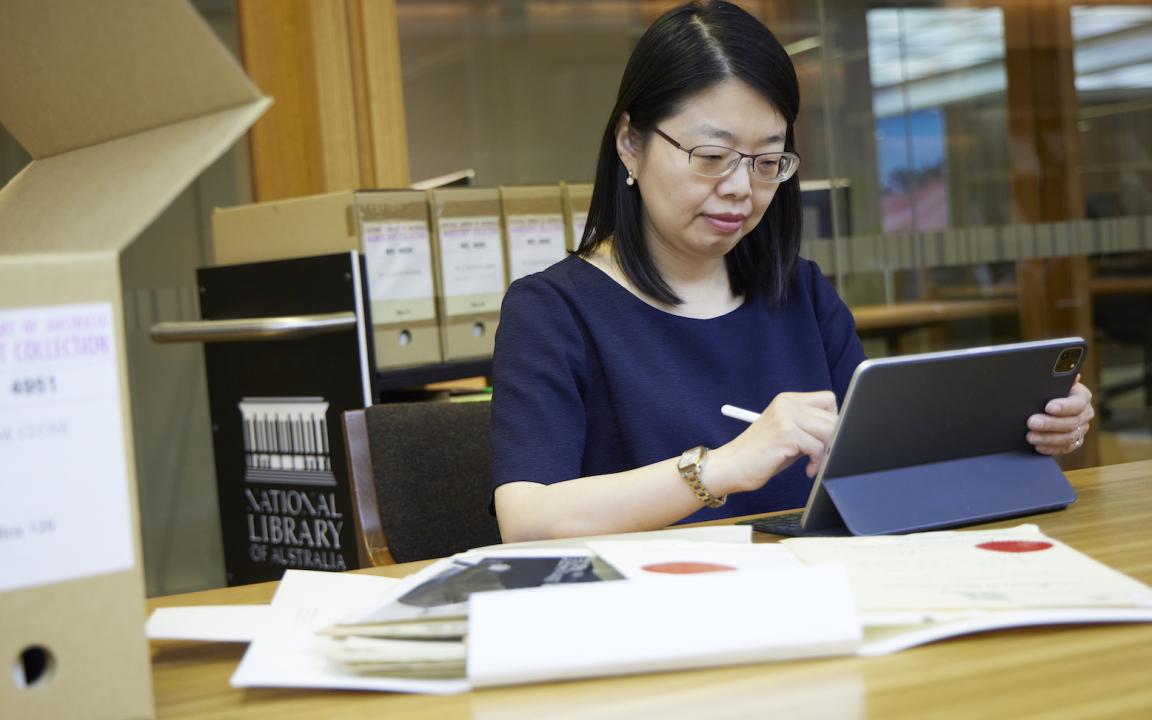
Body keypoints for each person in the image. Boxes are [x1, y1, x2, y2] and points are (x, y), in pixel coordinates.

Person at [489, 0, 1094, 542]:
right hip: (657, 618)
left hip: (823, 600)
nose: (739, 189)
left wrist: (1025, 429)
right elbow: (529, 518)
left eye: (766, 162)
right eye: (712, 156)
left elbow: (886, 462)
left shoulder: (801, 292)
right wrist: (721, 467)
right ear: (630, 143)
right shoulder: (553, 312)